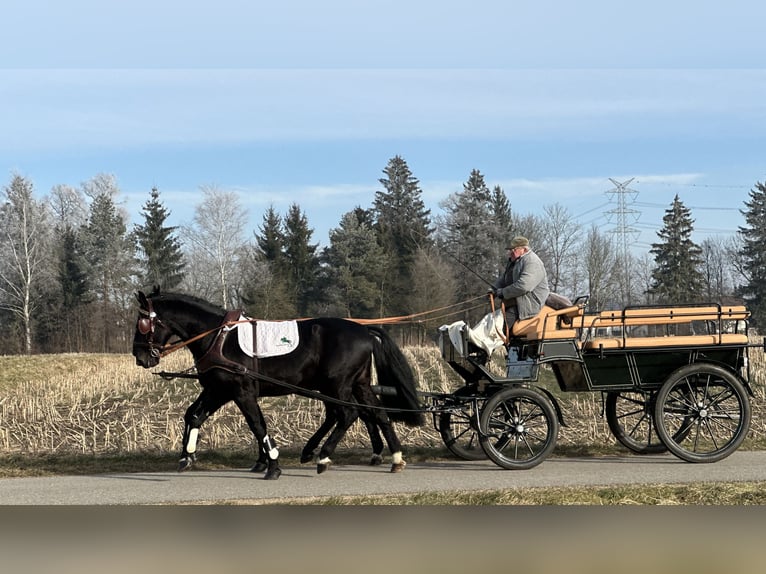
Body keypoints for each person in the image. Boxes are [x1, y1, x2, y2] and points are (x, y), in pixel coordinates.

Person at [492, 236, 550, 325]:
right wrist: (493, 289)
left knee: (500, 325)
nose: (510, 253)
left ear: (523, 249)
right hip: (517, 302)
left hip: (529, 304)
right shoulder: (515, 262)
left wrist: (503, 292)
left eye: (513, 250)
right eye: (509, 250)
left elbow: (524, 286)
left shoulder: (532, 262)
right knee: (491, 320)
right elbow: (504, 279)